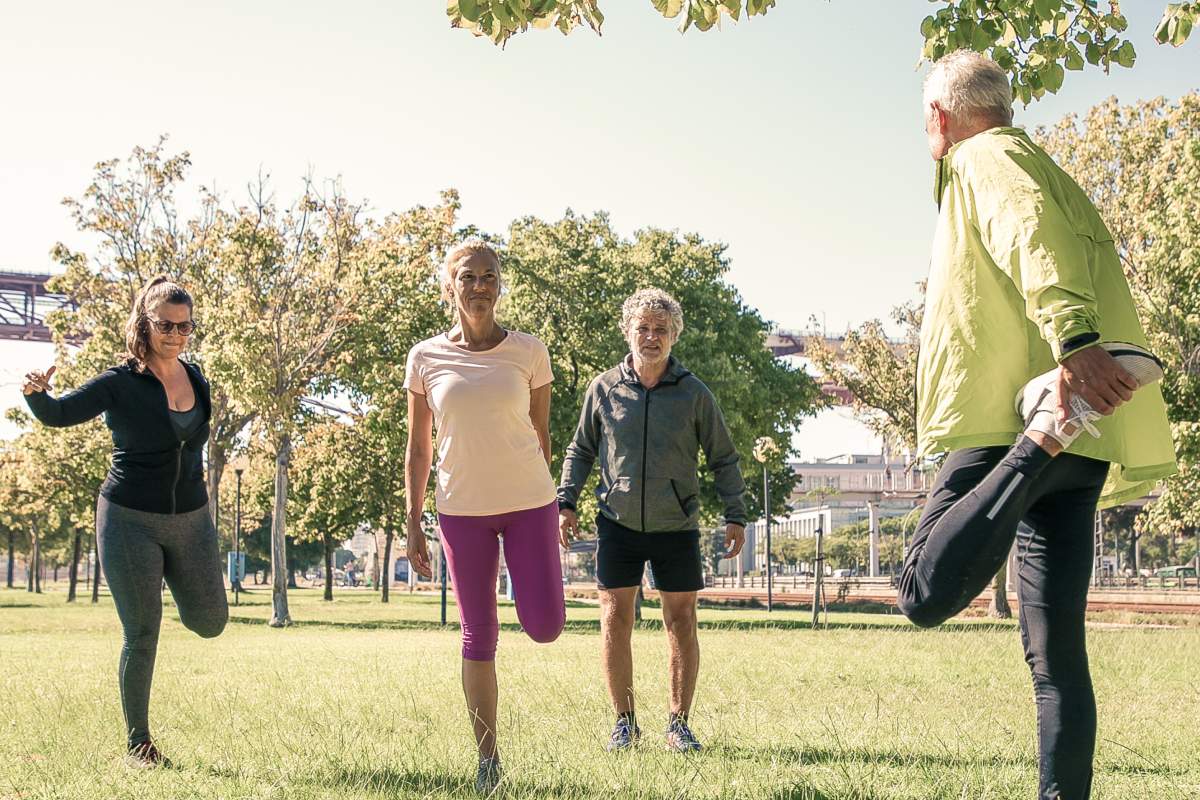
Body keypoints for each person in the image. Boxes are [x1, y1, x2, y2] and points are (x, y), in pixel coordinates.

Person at [898, 51, 1177, 800]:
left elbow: (1031, 234)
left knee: (922, 589)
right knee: (1057, 661)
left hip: (1014, 418)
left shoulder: (985, 158)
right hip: (1081, 433)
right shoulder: (1046, 166)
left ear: (939, 117)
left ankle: (1039, 439)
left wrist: (1076, 342)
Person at [22, 275, 228, 767]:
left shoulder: (196, 376)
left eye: (185, 326)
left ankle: (171, 585)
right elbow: (60, 413)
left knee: (210, 622)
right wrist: (36, 395)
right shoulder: (119, 383)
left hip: (191, 517)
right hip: (130, 517)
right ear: (145, 322)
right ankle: (140, 744)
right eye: (166, 325)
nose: (176, 334)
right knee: (142, 632)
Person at [403, 240, 565, 795]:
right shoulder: (425, 357)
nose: (479, 286)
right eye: (467, 277)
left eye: (488, 276)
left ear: (500, 284)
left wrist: (542, 502)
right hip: (461, 510)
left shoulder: (529, 352)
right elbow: (419, 448)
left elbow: (542, 434)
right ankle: (488, 759)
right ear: (450, 285)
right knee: (478, 634)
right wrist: (412, 518)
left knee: (544, 626)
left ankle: (531, 593)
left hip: (528, 503)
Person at [557, 287, 747, 753]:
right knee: (614, 618)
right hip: (616, 523)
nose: (651, 336)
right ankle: (624, 723)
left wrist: (736, 515)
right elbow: (580, 450)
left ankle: (678, 725)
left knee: (681, 622)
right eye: (642, 327)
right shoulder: (603, 389)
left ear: (674, 336)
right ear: (628, 331)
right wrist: (565, 501)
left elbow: (723, 458)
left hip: (676, 526)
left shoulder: (694, 393)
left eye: (661, 329)